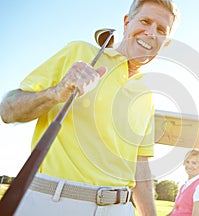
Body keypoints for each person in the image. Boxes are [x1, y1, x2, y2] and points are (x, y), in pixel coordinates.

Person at [0, 0, 179, 215]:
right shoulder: (80, 52)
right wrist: (56, 92)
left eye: (161, 30)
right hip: (56, 203)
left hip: (119, 208)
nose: (151, 33)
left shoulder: (146, 95)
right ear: (126, 22)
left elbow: (140, 167)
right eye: (145, 21)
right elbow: (8, 109)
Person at [168, 150, 199, 216]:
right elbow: (174, 211)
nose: (189, 166)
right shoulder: (183, 186)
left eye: (194, 163)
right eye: (187, 162)